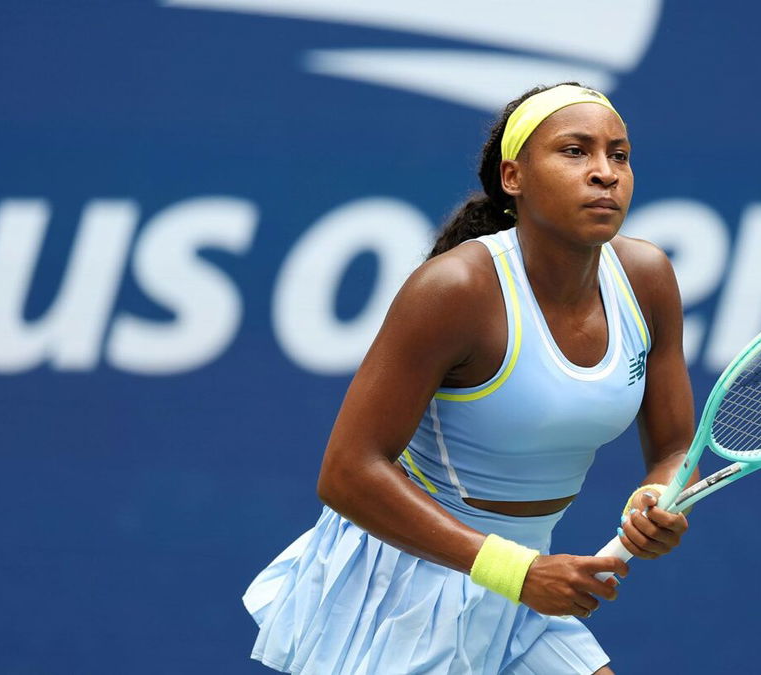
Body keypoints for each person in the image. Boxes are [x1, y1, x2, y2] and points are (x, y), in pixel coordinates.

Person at [243, 82, 696, 674]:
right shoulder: (454, 291)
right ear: (514, 176)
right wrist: (515, 572)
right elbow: (347, 472)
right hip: (404, 587)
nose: (605, 173)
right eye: (574, 151)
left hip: (528, 581)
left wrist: (658, 495)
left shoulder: (648, 278)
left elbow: (673, 446)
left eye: (619, 154)